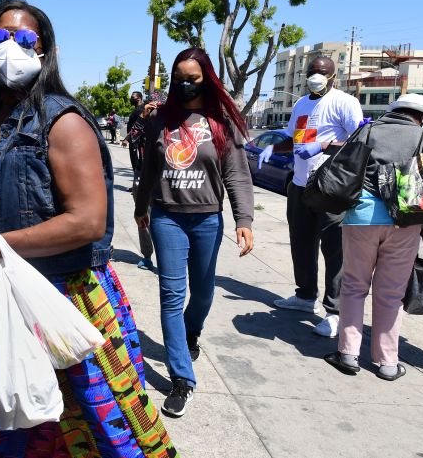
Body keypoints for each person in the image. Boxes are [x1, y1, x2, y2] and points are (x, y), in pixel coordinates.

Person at [0, 0, 176, 458]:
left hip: (61, 302)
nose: (10, 46)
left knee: (90, 435)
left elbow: (88, 221)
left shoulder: (62, 120)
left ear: (44, 50)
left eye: (24, 38)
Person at [134, 47, 254, 419]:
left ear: (207, 78)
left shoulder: (221, 122)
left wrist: (244, 219)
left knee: (203, 294)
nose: (184, 84)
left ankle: (190, 335)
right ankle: (181, 379)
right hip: (168, 217)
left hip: (207, 220)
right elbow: (150, 169)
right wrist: (141, 208)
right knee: (172, 295)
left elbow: (235, 173)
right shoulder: (162, 120)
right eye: (178, 78)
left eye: (192, 78)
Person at [323, 94, 423, 380]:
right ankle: (388, 363)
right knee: (391, 293)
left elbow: (346, 168)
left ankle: (347, 354)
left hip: (362, 218)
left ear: (394, 110)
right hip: (406, 223)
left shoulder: (368, 130)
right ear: (421, 117)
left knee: (354, 286)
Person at [270, 56, 363, 338]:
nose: (315, 76)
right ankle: (305, 295)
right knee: (301, 243)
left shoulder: (344, 102)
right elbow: (293, 138)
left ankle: (335, 311)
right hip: (300, 185)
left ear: (333, 76)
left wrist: (322, 145)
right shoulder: (300, 104)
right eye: (311, 71)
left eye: (321, 72)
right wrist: (272, 149)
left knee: (334, 250)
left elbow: (359, 142)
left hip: (330, 188)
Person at [127, 91, 157, 270]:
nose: (155, 112)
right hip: (142, 173)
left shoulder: (169, 124)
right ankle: (147, 255)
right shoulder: (143, 119)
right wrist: (143, 117)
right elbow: (131, 138)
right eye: (152, 108)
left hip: (163, 178)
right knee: (142, 215)